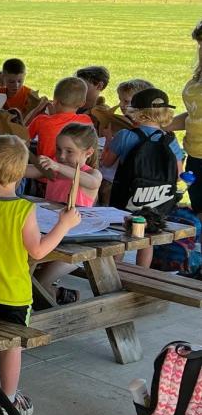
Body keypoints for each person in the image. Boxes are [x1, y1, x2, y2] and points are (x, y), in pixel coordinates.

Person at [0, 136, 80, 415]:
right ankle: (9, 398)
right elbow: (38, 251)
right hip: (11, 293)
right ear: (21, 172)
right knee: (13, 346)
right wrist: (64, 225)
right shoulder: (23, 209)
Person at [102, 87, 185, 268]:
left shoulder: (125, 136)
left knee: (121, 238)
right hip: (158, 200)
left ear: (136, 112)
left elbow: (107, 162)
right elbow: (178, 176)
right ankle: (143, 274)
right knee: (149, 240)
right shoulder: (170, 140)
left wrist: (109, 139)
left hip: (128, 199)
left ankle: (116, 272)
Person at [26, 122, 102, 302]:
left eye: (69, 151)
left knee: (38, 283)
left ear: (88, 153)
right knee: (29, 280)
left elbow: (92, 183)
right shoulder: (55, 171)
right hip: (49, 237)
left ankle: (55, 309)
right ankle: (60, 295)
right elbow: (20, 171)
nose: (61, 156)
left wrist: (57, 167)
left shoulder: (92, 173)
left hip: (76, 244)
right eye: (58, 149)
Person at [27, 77, 90, 160]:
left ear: (55, 101)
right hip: (73, 170)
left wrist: (37, 110)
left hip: (46, 168)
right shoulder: (86, 120)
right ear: (82, 103)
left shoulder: (41, 120)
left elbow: (23, 137)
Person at [177, 22, 202, 213]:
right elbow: (194, 113)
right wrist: (162, 126)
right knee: (199, 207)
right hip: (195, 154)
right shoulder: (198, 78)